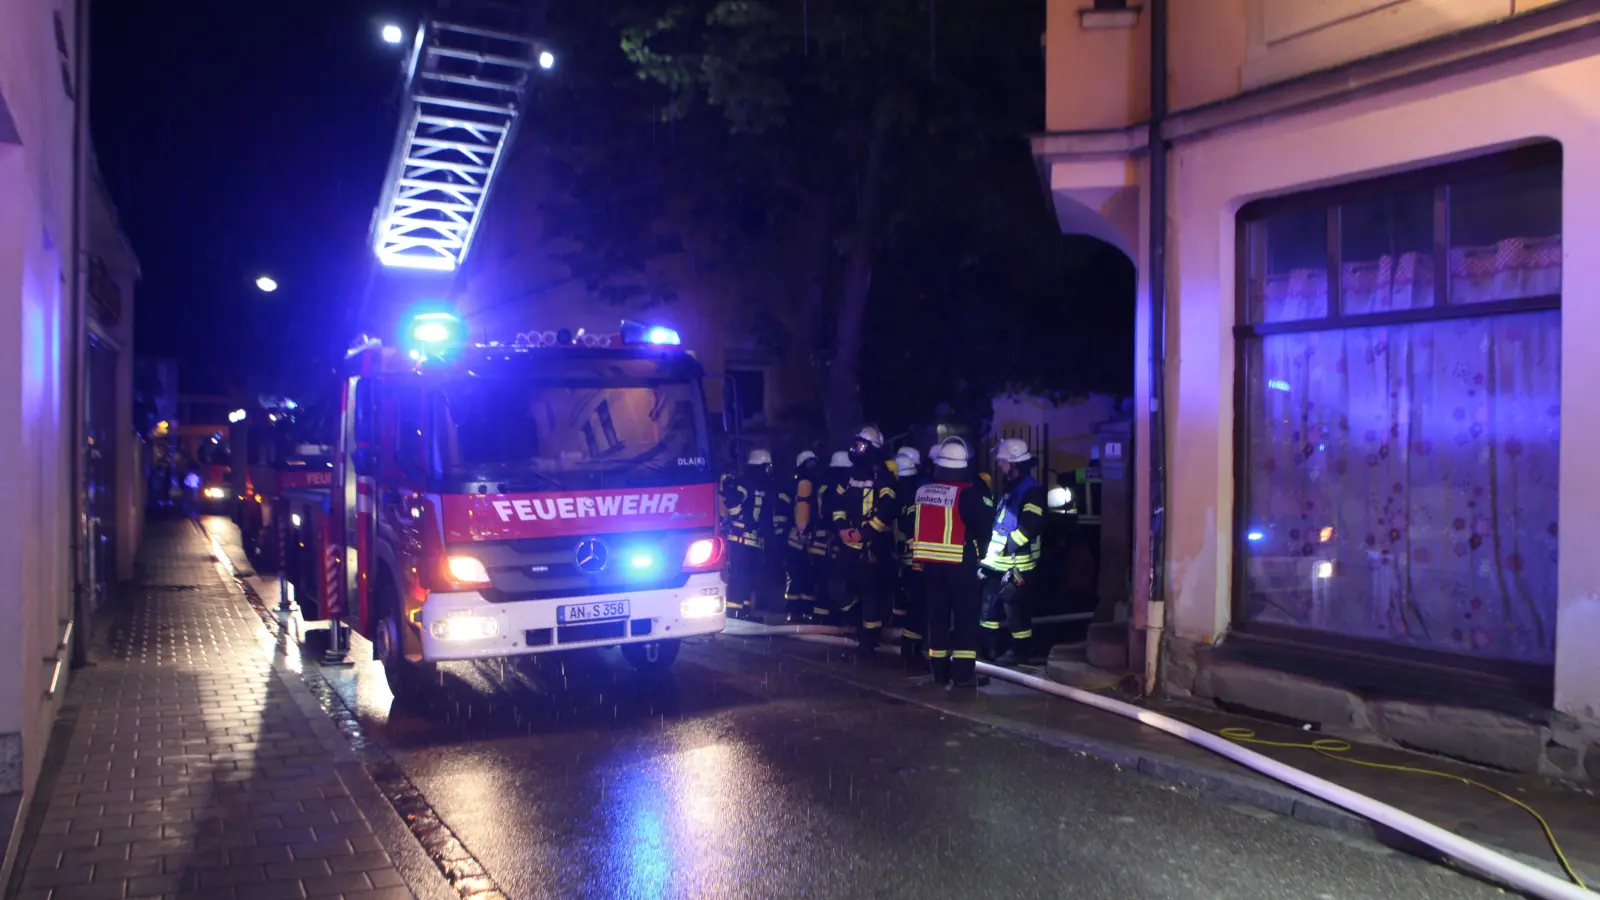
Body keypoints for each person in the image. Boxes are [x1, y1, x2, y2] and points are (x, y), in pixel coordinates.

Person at [911, 437, 994, 689]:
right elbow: (983, 527)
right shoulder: (968, 494)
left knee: (937, 618)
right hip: (960, 564)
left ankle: (939, 673)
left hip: (930, 567)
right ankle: (963, 675)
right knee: (966, 619)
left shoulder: (923, 491)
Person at [980, 438, 1049, 666]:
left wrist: (1008, 546)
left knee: (1015, 612)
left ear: (1014, 464)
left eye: (1003, 461)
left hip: (1017, 564)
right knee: (988, 609)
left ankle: (1019, 653)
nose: (999, 465)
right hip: (996, 563)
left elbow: (1031, 525)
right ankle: (988, 649)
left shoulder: (1031, 490)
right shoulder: (1011, 487)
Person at [829, 425, 898, 653]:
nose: (855, 448)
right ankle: (857, 620)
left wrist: (866, 533)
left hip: (872, 544)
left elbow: (888, 508)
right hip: (849, 542)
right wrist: (841, 528)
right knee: (835, 584)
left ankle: (869, 639)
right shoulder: (848, 476)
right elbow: (837, 503)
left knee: (870, 591)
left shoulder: (883, 476)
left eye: (860, 444)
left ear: (871, 448)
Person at [723, 448, 777, 621]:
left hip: (754, 541)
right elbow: (732, 499)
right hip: (740, 539)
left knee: (750, 577)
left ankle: (744, 611)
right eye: (767, 467)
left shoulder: (763, 485)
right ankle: (733, 612)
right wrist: (741, 517)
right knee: (738, 576)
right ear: (760, 466)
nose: (769, 471)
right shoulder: (745, 482)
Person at [892, 446, 929, 669]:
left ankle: (909, 645)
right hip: (917, 557)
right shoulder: (916, 491)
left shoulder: (896, 490)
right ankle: (912, 650)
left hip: (903, 556)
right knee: (918, 605)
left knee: (909, 603)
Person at [810, 450, 853, 623]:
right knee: (835, 579)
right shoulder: (839, 487)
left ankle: (820, 616)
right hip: (832, 539)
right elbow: (836, 514)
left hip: (817, 538)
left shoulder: (822, 485)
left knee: (821, 579)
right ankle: (836, 617)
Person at [781, 450, 822, 622]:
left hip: (801, 538)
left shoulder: (798, 486)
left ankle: (799, 611)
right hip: (804, 538)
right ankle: (798, 611)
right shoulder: (815, 485)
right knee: (801, 575)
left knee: (804, 575)